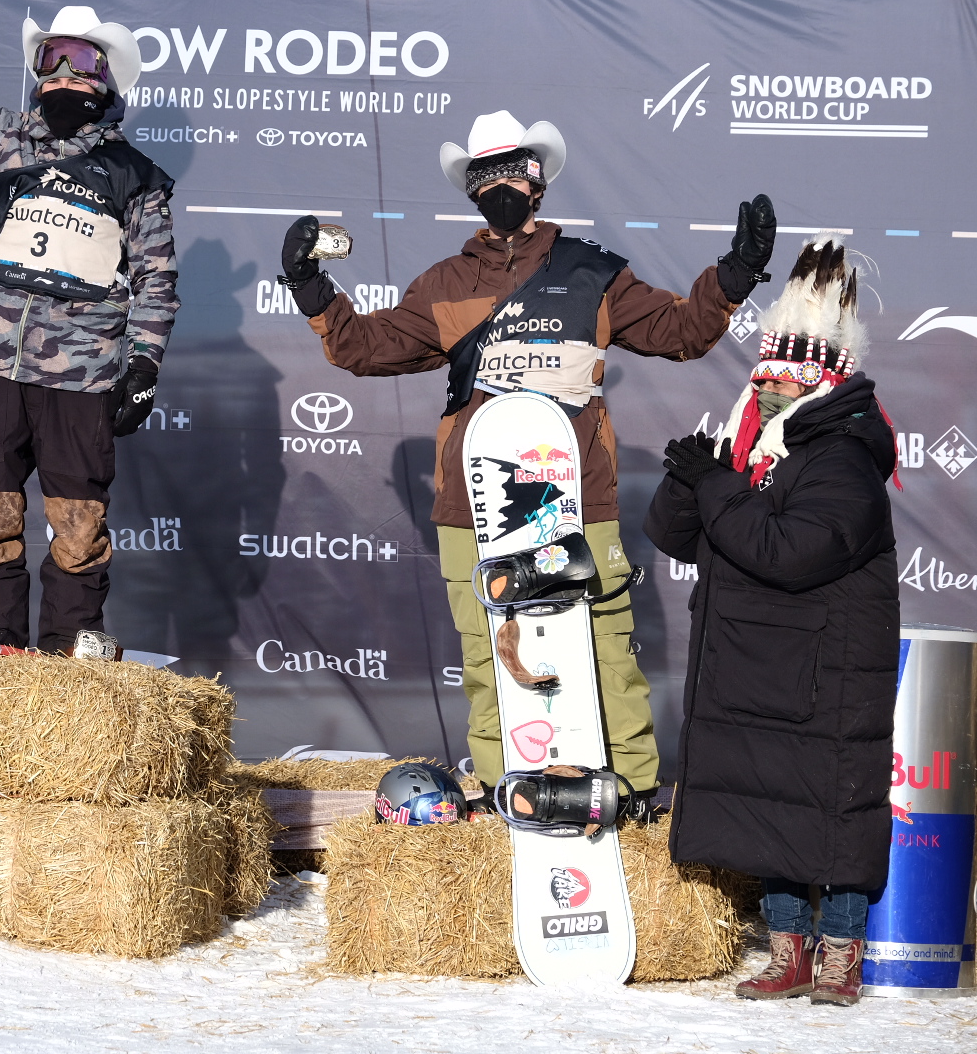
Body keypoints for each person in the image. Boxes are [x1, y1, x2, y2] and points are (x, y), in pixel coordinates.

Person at [277, 109, 776, 805]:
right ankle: (499, 786)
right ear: (472, 190)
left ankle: (630, 791)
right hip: (475, 509)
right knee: (487, 653)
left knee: (605, 649)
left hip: (577, 500)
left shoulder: (594, 274)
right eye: (488, 174)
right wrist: (309, 285)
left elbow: (681, 331)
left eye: (518, 169)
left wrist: (737, 272)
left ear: (541, 185)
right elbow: (364, 346)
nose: (505, 184)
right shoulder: (444, 284)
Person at [646, 236, 898, 1007]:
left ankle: (839, 958)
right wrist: (694, 479)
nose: (769, 387)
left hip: (823, 671)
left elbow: (789, 550)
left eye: (789, 376)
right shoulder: (753, 442)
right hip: (758, 663)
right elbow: (673, 535)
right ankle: (788, 953)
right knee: (770, 811)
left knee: (834, 811)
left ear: (826, 379)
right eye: (764, 374)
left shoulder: (847, 459)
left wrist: (719, 487)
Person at [0, 5, 178, 656]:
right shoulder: (3, 141)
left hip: (83, 367)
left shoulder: (137, 178)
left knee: (78, 517)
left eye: (79, 61)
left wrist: (144, 366)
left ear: (105, 80)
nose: (60, 73)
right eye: (48, 59)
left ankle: (71, 637)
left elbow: (158, 281)